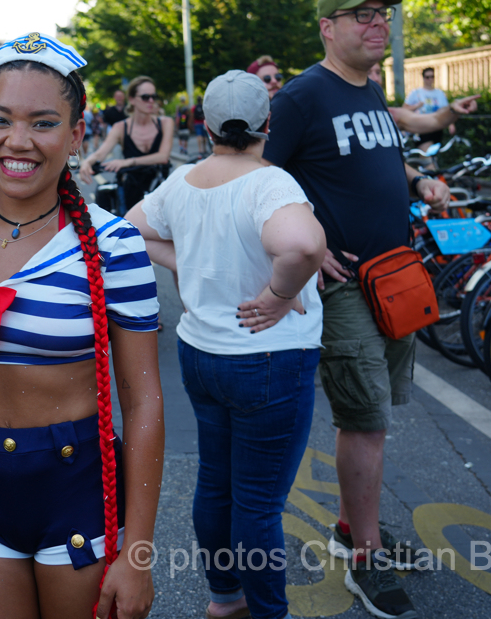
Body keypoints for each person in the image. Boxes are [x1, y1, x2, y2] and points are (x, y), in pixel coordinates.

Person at [0, 33, 163, 619]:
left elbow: (144, 402)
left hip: (77, 491)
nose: (18, 141)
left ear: (76, 135)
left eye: (44, 123)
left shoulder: (115, 243)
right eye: (0, 119)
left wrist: (137, 553)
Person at [256, 0, 454, 619]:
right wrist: (307, 244)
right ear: (328, 27)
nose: (377, 25)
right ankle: (366, 558)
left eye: (383, 16)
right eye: (361, 15)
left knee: (370, 418)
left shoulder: (369, 90)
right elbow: (259, 182)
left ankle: (351, 527)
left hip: (395, 280)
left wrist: (418, 181)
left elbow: (380, 157)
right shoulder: (301, 97)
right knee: (366, 421)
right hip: (344, 288)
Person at [127, 70, 326, 619]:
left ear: (207, 126)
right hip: (269, 356)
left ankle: (225, 598)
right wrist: (279, 294)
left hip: (202, 354)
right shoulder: (270, 183)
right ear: (267, 123)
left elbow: (129, 228)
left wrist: (185, 262)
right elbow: (303, 245)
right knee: (258, 504)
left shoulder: (183, 181)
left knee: (215, 485)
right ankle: (267, 613)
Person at [79, 76, 175, 212]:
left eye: (154, 96)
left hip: (160, 186)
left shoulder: (165, 123)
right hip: (132, 188)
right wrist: (87, 162)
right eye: (145, 97)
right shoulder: (121, 127)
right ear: (131, 99)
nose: (151, 101)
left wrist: (127, 162)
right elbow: (101, 153)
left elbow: (163, 156)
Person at [403, 67, 452, 151]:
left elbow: (446, 110)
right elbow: (404, 108)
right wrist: (416, 106)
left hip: (437, 128)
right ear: (423, 78)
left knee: (433, 154)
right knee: (426, 154)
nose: (430, 79)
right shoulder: (416, 92)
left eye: (432, 77)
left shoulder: (440, 93)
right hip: (422, 128)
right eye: (427, 77)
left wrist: (451, 124)